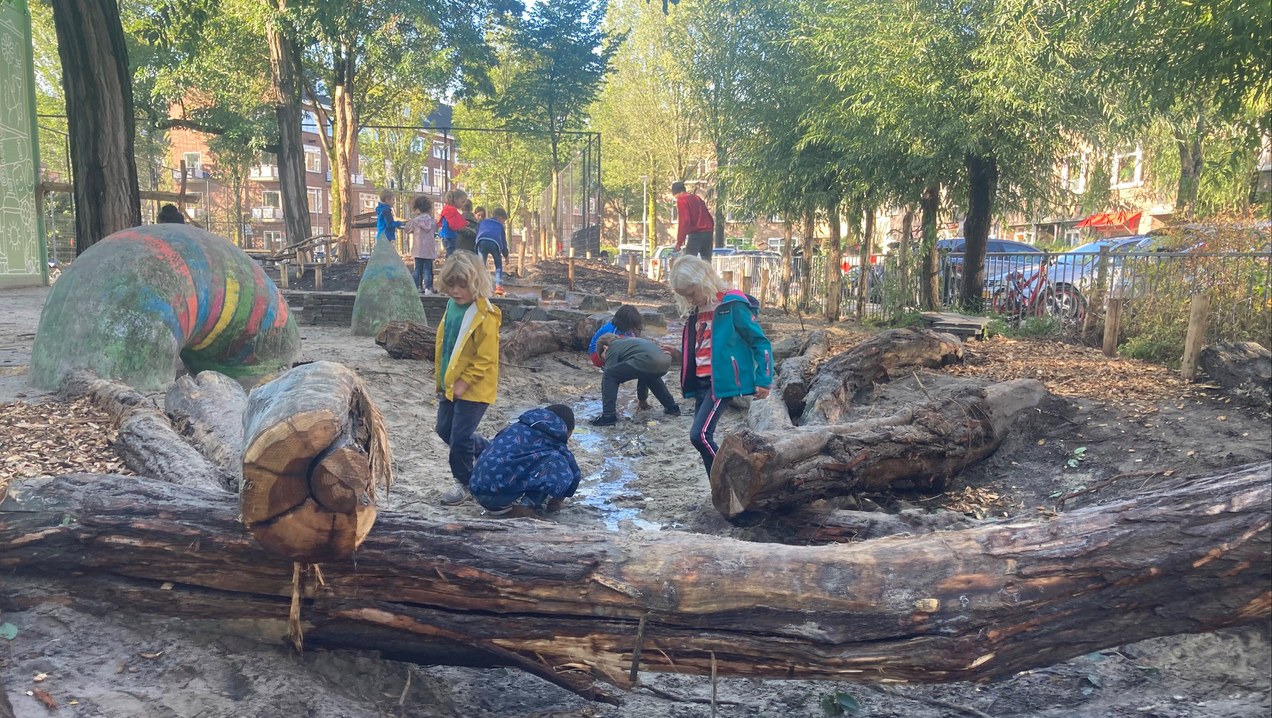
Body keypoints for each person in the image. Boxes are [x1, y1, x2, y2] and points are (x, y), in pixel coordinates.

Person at [670, 255, 772, 476]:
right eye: (684, 296)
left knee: (700, 436)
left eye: (691, 293)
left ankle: (730, 479)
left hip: (722, 382)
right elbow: (702, 349)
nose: (689, 300)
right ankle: (719, 493)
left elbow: (760, 342)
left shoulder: (731, 305)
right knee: (703, 440)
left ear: (703, 280)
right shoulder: (696, 312)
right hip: (700, 382)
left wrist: (764, 379)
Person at [434, 251, 501, 505]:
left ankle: (466, 483)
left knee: (460, 439)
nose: (455, 291)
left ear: (476, 283)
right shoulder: (451, 306)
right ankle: (486, 449)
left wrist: (464, 381)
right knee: (444, 430)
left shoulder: (485, 314)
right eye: (451, 285)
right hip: (449, 385)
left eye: (462, 285)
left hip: (473, 389)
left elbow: (486, 358)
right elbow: (447, 343)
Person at [468, 404, 582, 517]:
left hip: (477, 487)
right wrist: (558, 500)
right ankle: (526, 508)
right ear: (567, 430)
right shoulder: (555, 439)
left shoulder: (515, 427)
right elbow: (574, 473)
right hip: (498, 496)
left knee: (533, 460)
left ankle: (503, 507)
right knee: (556, 463)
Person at [590, 334, 680, 426]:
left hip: (647, 360)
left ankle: (608, 416)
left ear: (605, 348)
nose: (606, 361)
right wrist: (642, 400)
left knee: (608, 375)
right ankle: (671, 407)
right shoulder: (631, 343)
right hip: (664, 361)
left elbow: (609, 374)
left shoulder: (612, 347)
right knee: (649, 375)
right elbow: (642, 373)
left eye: (603, 358)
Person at [403, 195, 438, 292]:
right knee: (428, 269)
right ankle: (428, 287)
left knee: (417, 269)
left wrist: (413, 217)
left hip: (418, 249)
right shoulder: (432, 221)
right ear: (429, 208)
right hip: (429, 249)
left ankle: (417, 287)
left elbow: (407, 229)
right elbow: (435, 230)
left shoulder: (415, 221)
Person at [672, 181, 714, 260]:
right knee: (706, 262)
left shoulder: (682, 200)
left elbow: (684, 222)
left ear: (676, 193)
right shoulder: (697, 198)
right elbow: (708, 216)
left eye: (675, 196)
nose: (676, 198)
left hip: (696, 234)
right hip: (708, 233)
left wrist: (679, 242)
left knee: (689, 262)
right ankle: (707, 272)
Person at [475, 206, 511, 295]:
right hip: (495, 243)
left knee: (481, 265)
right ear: (500, 218)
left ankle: (479, 286)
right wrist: (506, 255)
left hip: (481, 241)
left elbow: (477, 232)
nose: (503, 223)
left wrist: (475, 249)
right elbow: (503, 241)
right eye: (503, 221)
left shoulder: (483, 222)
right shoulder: (500, 225)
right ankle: (498, 287)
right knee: (498, 265)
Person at [438, 189, 468, 257]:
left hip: (446, 236)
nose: (463, 205)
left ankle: (450, 265)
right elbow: (454, 224)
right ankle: (450, 266)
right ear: (455, 199)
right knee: (451, 254)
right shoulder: (452, 210)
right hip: (450, 236)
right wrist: (464, 225)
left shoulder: (447, 208)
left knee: (450, 253)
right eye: (462, 202)